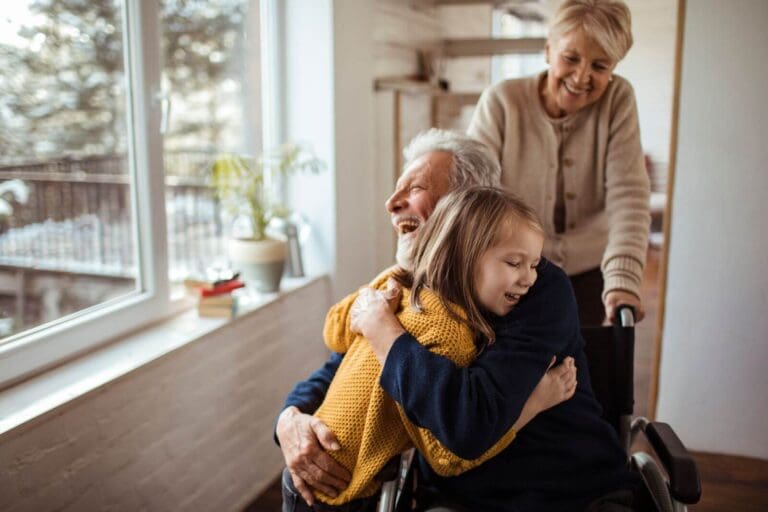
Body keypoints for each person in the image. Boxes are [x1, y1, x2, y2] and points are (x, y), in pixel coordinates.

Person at [276, 129, 637, 511]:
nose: (391, 203)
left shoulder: (535, 290)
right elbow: (343, 365)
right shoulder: (408, 285)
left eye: (414, 188)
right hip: (455, 499)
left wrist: (385, 331)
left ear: (468, 207)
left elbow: (467, 426)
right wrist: (290, 419)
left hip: (567, 495)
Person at [282, 187, 577, 512]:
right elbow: (447, 457)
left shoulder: (400, 293)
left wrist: (378, 288)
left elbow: (333, 333)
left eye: (533, 265)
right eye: (514, 263)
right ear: (463, 253)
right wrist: (533, 403)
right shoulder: (447, 333)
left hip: (325, 483)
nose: (530, 279)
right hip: (338, 492)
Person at [467, 0, 651, 325]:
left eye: (600, 66)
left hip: (590, 271)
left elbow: (629, 197)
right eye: (571, 58)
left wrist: (623, 280)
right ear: (548, 51)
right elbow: (472, 193)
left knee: (584, 369)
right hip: (512, 270)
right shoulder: (501, 101)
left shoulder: (618, 100)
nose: (582, 77)